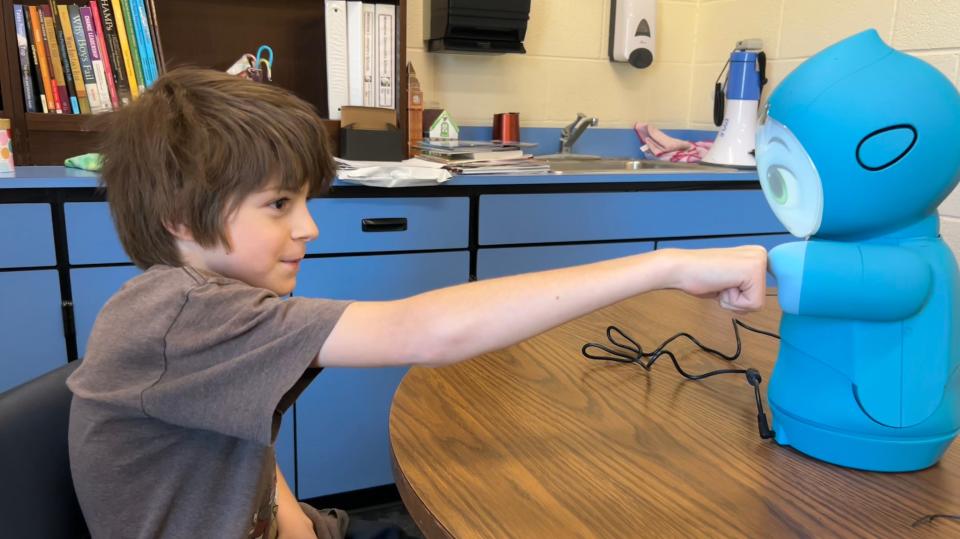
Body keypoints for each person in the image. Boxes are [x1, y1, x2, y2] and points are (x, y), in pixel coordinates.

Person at [66, 67, 767, 539]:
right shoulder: (180, 317)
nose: (307, 227)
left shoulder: (196, 302)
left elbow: (243, 442)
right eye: (279, 204)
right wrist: (666, 265)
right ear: (181, 219)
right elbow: (427, 330)